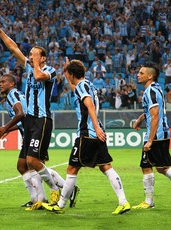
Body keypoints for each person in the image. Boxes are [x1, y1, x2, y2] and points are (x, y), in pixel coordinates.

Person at [42, 58, 130, 214]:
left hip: (87, 133)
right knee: (106, 167)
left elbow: (88, 104)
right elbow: (75, 87)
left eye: (67, 73)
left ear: (72, 74)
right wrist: (65, 69)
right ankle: (123, 202)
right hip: (96, 133)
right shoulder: (87, 84)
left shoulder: (82, 86)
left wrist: (95, 127)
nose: (66, 76)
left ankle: (60, 205)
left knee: (72, 168)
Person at [0, 21, 61, 210]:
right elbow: (13, 47)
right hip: (29, 121)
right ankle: (40, 198)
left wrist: (36, 63)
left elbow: (39, 77)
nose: (30, 57)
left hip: (42, 120)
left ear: (43, 58)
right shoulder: (30, 67)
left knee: (33, 161)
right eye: (30, 54)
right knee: (25, 163)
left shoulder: (50, 71)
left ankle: (56, 189)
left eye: (34, 54)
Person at [0, 74, 78, 209]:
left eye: (3, 81)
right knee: (23, 166)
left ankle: (62, 190)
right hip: (30, 131)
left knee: (33, 164)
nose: (0, 84)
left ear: (11, 84)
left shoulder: (12, 95)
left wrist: (6, 126)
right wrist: (8, 129)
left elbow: (20, 114)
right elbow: (24, 119)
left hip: (34, 131)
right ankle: (37, 198)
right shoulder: (16, 95)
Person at [132, 62, 171, 209]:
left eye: (141, 73)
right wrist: (140, 119)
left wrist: (150, 140)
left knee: (161, 167)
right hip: (160, 133)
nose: (138, 75)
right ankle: (149, 201)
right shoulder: (155, 88)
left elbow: (155, 116)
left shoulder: (150, 92)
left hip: (156, 135)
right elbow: (151, 112)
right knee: (148, 166)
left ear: (150, 76)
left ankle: (149, 201)